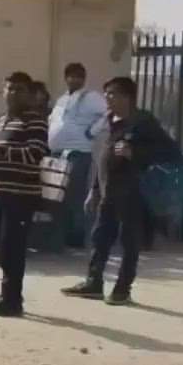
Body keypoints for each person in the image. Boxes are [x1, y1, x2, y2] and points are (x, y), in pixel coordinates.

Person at [62, 77, 181, 305]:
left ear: (128, 97)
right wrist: (94, 190)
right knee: (100, 238)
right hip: (108, 191)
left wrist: (135, 153)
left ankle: (122, 289)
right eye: (106, 93)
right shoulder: (107, 121)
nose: (107, 98)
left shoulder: (143, 122)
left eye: (112, 94)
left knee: (129, 241)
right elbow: (101, 158)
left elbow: (171, 152)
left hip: (134, 192)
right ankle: (93, 283)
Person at [0, 71, 49, 317]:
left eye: (19, 89)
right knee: (4, 247)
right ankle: (6, 294)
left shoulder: (35, 120)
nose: (12, 94)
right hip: (1, 191)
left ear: (29, 94)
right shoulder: (1, 121)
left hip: (22, 193)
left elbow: (35, 153)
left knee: (14, 247)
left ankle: (12, 300)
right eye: (9, 88)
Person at [48, 63, 108, 248]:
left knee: (75, 195)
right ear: (65, 78)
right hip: (57, 154)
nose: (75, 79)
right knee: (57, 195)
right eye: (71, 76)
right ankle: (60, 235)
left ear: (84, 79)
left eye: (79, 76)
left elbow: (108, 113)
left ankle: (77, 236)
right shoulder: (62, 99)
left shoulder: (92, 98)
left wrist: (92, 131)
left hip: (78, 153)